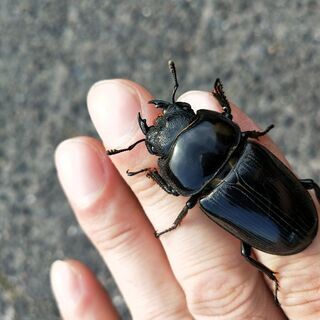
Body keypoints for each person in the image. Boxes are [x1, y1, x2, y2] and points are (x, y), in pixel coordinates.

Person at [51, 78, 320, 319]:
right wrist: (219, 97)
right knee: (308, 185)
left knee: (244, 252)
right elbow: (227, 117)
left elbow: (174, 190)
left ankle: (274, 278)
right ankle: (274, 277)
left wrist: (151, 174)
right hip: (289, 209)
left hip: (268, 225)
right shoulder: (246, 143)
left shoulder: (202, 191)